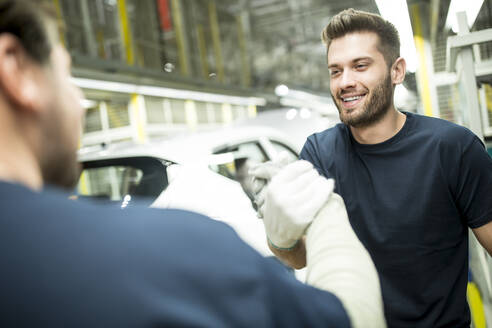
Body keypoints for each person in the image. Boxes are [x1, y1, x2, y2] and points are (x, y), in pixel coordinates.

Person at [0, 1, 386, 327]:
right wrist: (325, 211)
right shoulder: (175, 253)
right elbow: (352, 317)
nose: (79, 103)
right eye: (67, 75)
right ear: (15, 68)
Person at [252, 8, 492, 328]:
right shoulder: (319, 152)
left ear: (396, 71)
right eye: (335, 71)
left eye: (360, 66)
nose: (345, 82)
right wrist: (280, 235)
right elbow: (302, 257)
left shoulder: (452, 148)